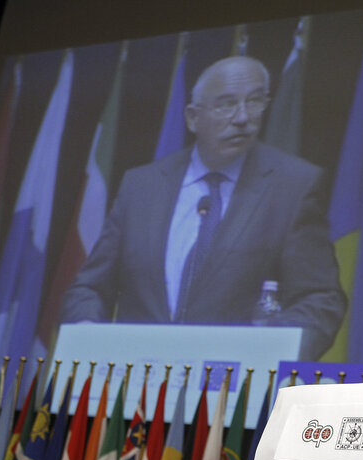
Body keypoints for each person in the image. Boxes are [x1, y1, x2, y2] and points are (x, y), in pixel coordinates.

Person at [61, 56, 346, 360]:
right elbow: (89, 288)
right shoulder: (141, 186)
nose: (242, 117)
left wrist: (262, 354)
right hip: (134, 387)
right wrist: (88, 334)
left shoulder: (293, 186)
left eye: (254, 101)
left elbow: (320, 300)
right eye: (225, 104)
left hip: (232, 389)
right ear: (192, 118)